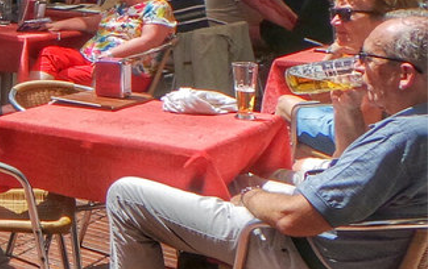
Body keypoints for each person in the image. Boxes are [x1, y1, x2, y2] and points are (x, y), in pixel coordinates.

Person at [106, 15, 427, 269]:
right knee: (228, 175)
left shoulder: (405, 136)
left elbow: (293, 218)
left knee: (126, 196)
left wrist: (250, 196)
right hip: (352, 244)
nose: (357, 66)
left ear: (405, 75)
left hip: (309, 253)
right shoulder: (413, 124)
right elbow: (347, 169)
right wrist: (349, 110)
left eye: (367, 58)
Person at [275, 0, 418, 156]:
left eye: (346, 14)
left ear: (385, 18)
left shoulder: (380, 65)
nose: (334, 21)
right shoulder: (392, 55)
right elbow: (319, 94)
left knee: (285, 103)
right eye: (333, 13)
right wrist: (333, 52)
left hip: (367, 147)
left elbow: (361, 140)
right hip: (373, 144)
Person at [34, 0, 176, 92]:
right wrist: (56, 25)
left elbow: (149, 40)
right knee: (50, 54)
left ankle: (42, 104)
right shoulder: (121, 7)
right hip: (92, 58)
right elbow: (91, 23)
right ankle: (33, 98)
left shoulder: (157, 7)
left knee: (66, 76)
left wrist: (111, 55)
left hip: (123, 68)